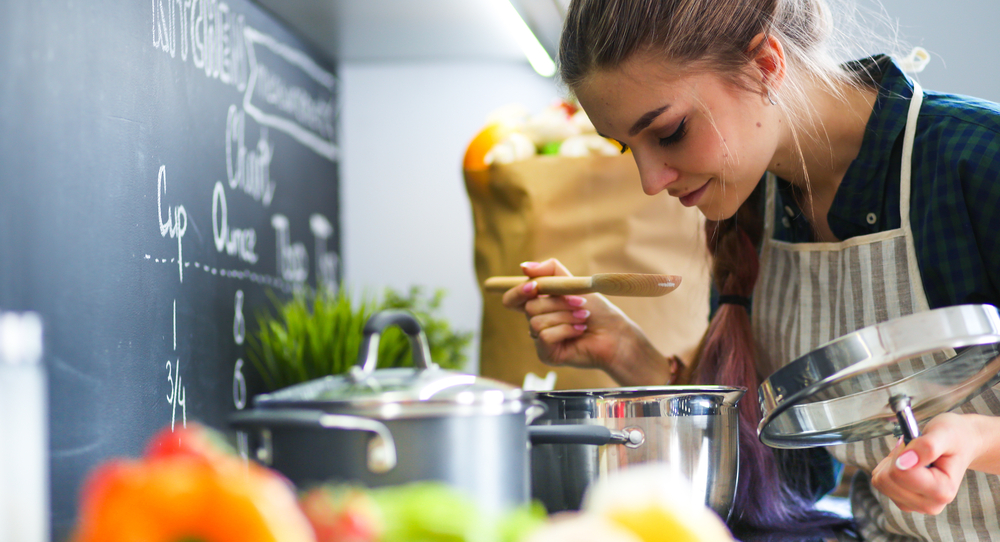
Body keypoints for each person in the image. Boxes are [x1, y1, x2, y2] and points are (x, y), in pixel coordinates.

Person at [499, 0, 1000, 539]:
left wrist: (977, 438)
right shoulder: (753, 209)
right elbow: (790, 473)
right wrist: (626, 351)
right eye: (627, 147)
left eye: (668, 132)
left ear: (765, 64)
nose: (650, 180)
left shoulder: (977, 159)